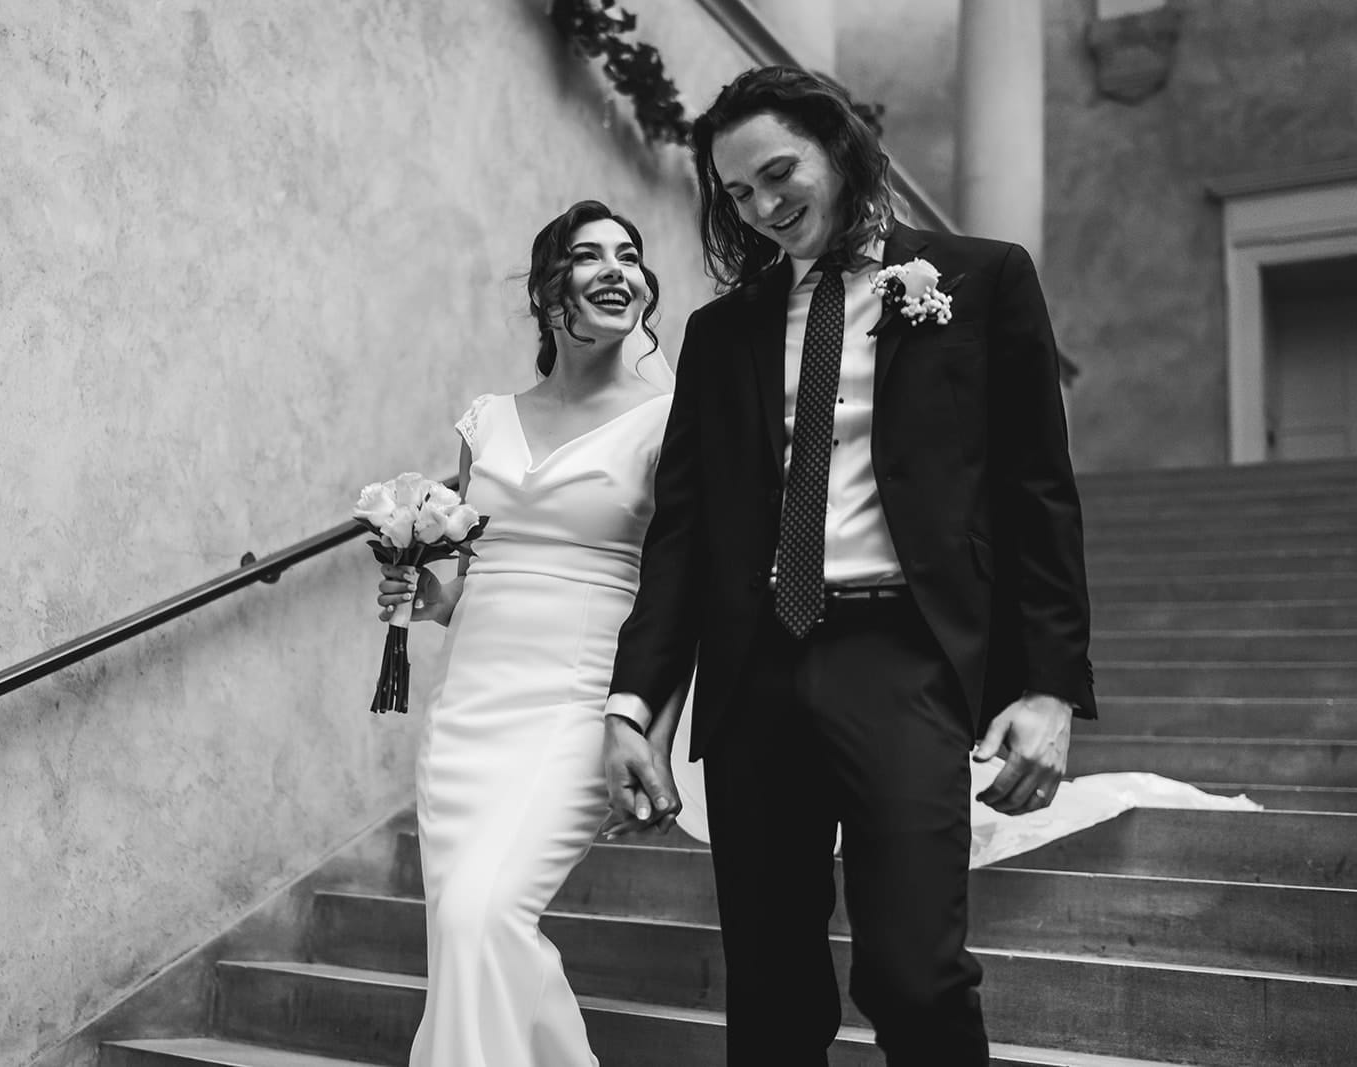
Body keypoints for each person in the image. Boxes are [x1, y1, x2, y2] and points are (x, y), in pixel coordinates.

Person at [599, 66, 1095, 1066]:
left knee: (915, 973)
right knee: (772, 991)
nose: (763, 208)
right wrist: (632, 704)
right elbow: (682, 534)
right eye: (736, 194)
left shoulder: (981, 280)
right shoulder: (722, 330)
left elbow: (1036, 493)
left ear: (838, 147)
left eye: (779, 173)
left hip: (901, 659)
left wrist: (1046, 687)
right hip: (754, 675)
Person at [375, 199, 680, 1067]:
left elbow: (678, 588)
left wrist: (649, 728)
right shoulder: (487, 420)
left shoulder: (669, 421)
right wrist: (429, 598)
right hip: (470, 711)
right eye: (590, 256)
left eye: (630, 255)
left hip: (578, 705)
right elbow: (477, 573)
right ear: (551, 289)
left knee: (484, 916)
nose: (617, 269)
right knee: (472, 942)